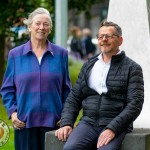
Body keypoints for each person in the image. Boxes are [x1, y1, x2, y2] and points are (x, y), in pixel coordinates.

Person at [55, 21, 144, 150]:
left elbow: (135, 104)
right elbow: (74, 97)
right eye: (100, 36)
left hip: (116, 124)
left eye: (108, 36)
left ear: (120, 40)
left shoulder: (132, 68)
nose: (103, 40)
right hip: (88, 123)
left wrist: (112, 128)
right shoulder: (89, 65)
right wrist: (66, 122)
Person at [0, 7, 71, 150]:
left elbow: (67, 90)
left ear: (50, 28)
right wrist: (13, 113)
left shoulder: (61, 54)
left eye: (46, 24)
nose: (41, 27)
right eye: (38, 23)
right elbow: (7, 89)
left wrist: (66, 116)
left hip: (54, 123)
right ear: (29, 26)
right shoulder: (15, 54)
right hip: (24, 122)